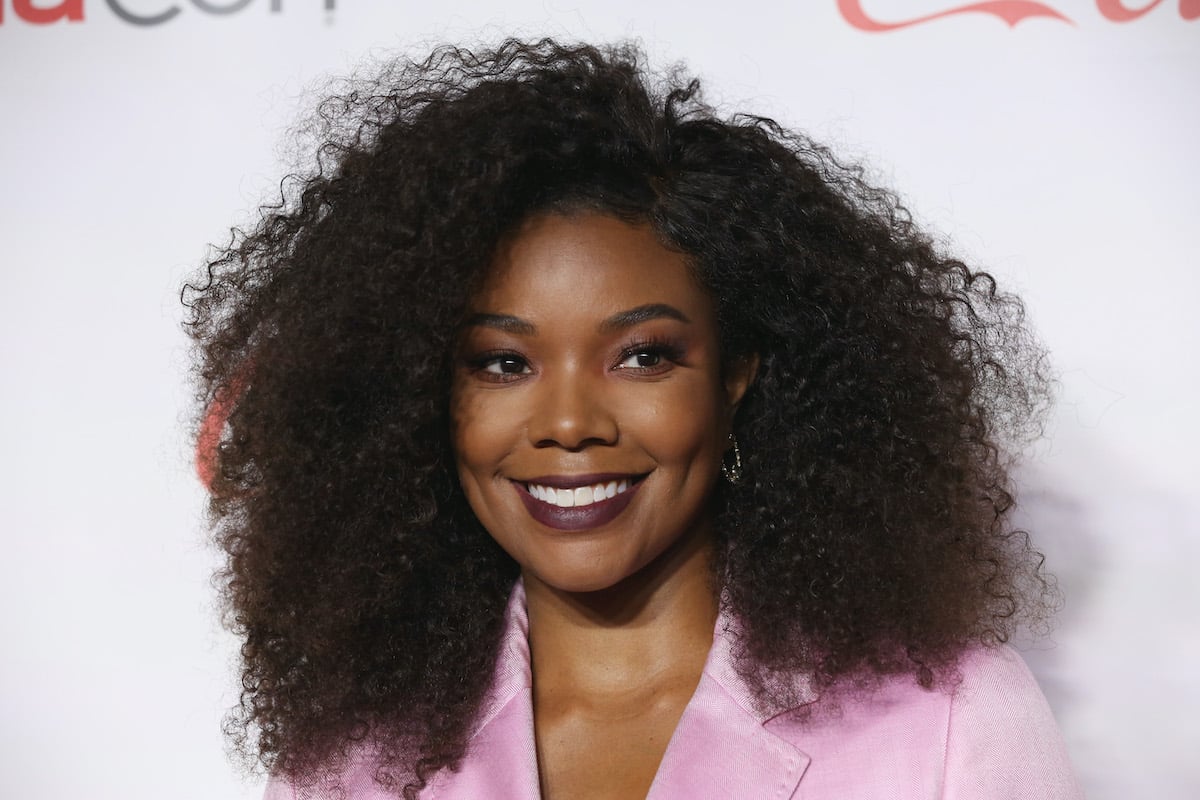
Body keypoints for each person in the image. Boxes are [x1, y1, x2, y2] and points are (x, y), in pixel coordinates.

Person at [185, 39, 1082, 800]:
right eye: (503, 363)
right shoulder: (356, 763)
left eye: (642, 355)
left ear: (735, 376)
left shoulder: (950, 719)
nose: (569, 423)